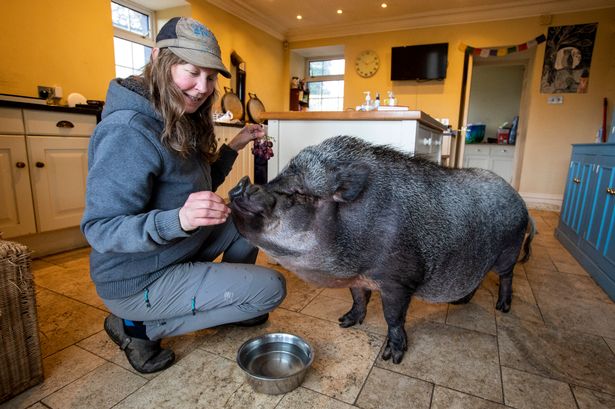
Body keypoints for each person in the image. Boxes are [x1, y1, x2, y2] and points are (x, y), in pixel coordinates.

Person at [80, 17, 286, 374]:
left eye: (210, 77)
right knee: (270, 291)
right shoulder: (128, 130)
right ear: (159, 58)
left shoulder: (177, 114)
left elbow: (195, 188)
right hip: (136, 279)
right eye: (192, 72)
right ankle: (137, 327)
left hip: (174, 250)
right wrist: (178, 219)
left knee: (248, 213)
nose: (202, 87)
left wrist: (234, 146)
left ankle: (228, 296)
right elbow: (99, 229)